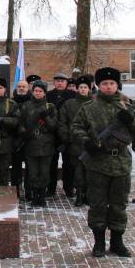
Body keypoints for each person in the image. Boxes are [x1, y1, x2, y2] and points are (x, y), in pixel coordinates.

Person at [72, 67, 135, 257]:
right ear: (98, 85)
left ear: (117, 85)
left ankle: (117, 242)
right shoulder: (89, 107)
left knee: (119, 204)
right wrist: (87, 142)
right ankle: (98, 242)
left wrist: (130, 120)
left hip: (120, 162)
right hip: (97, 163)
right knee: (97, 203)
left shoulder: (127, 105)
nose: (109, 87)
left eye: (112, 83)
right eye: (104, 83)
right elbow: (76, 128)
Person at [19, 80, 58, 207]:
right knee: (33, 172)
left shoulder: (50, 107)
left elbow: (54, 126)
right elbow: (21, 123)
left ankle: (42, 195)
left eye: (40, 91)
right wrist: (24, 132)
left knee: (45, 171)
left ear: (44, 93)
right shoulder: (26, 106)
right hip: (31, 143)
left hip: (46, 144)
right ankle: (35, 195)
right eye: (36, 90)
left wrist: (46, 117)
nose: (38, 93)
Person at [58, 76, 93, 206]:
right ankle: (78, 193)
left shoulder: (94, 103)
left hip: (90, 143)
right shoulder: (69, 104)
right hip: (75, 143)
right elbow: (62, 122)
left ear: (89, 89)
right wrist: (67, 137)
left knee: (89, 170)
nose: (83, 90)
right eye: (81, 87)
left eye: (85, 87)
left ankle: (88, 194)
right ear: (77, 89)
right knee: (77, 170)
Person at [46, 72, 76, 197]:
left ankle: (68, 188)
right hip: (52, 135)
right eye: (57, 81)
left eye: (62, 81)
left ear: (66, 83)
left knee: (68, 163)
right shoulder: (48, 95)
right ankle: (51, 188)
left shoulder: (72, 96)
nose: (59, 83)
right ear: (54, 83)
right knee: (51, 163)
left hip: (67, 135)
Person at [12, 80, 31, 196]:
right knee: (16, 168)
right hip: (15, 140)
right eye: (19, 86)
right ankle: (16, 190)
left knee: (29, 167)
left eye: (24, 86)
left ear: (28, 88)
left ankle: (28, 190)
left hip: (29, 140)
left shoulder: (32, 102)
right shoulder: (12, 102)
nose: (21, 88)